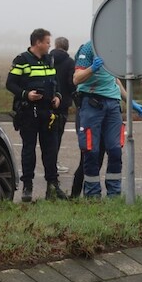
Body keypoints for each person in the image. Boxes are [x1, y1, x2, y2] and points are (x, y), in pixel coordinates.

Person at [72, 41, 142, 198]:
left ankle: (114, 194)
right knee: (91, 151)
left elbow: (114, 79)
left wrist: (130, 101)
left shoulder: (114, 46)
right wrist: (92, 69)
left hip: (113, 105)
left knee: (115, 151)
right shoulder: (88, 48)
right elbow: (77, 78)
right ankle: (92, 195)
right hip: (92, 103)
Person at [6, 28, 66, 202]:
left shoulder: (50, 60)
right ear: (38, 42)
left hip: (48, 113)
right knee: (29, 150)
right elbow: (10, 84)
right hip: (28, 113)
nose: (49, 45)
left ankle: (53, 187)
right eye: (47, 42)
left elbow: (57, 84)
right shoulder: (21, 60)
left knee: (51, 150)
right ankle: (27, 187)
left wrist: (57, 97)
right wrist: (26, 94)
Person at [49, 37, 76, 179]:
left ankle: (49, 162)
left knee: (47, 134)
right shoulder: (70, 62)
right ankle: (54, 162)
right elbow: (72, 83)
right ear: (67, 47)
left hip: (47, 102)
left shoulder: (47, 59)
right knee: (58, 134)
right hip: (63, 103)